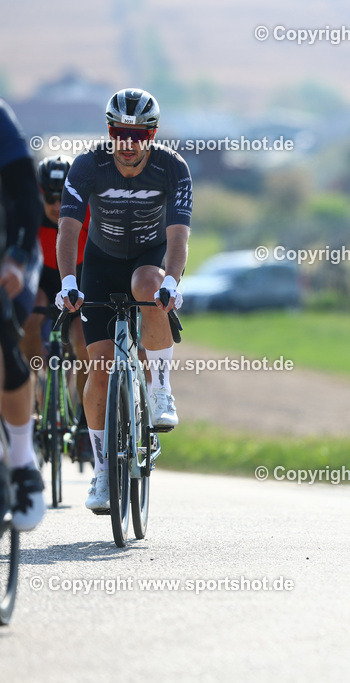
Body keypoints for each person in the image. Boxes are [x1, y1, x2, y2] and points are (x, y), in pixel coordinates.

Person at [55, 88, 191, 512]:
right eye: (119, 133)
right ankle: (100, 471)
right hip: (99, 264)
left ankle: (160, 390)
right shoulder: (87, 165)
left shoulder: (172, 168)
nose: (128, 144)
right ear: (109, 132)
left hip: (149, 261)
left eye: (138, 134)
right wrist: (67, 282)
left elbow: (178, 237)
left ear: (151, 136)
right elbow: (68, 232)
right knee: (99, 369)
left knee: (149, 285)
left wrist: (172, 280)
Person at [24, 156, 91, 456]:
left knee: (83, 343)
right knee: (30, 318)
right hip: (41, 280)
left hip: (75, 280)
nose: (55, 205)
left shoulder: (85, 213)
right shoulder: (29, 214)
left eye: (61, 197)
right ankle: (36, 378)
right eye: (48, 198)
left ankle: (84, 421)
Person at [0, 98, 44, 531]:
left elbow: (28, 198)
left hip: (8, 251)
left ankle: (21, 459)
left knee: (4, 332)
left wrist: (15, 256)